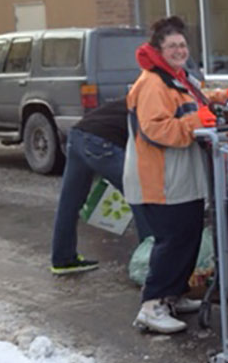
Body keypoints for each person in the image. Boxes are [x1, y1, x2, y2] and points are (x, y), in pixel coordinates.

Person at [124, 16, 228, 334]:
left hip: (182, 177)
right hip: (161, 179)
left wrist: (218, 100)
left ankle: (174, 294)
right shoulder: (152, 83)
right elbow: (156, 129)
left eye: (182, 45)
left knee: (189, 235)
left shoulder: (179, 78)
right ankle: (152, 305)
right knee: (172, 240)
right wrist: (197, 122)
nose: (179, 50)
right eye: (172, 46)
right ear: (158, 50)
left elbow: (195, 107)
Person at [50, 98, 153, 275]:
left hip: (77, 135)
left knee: (69, 202)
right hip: (101, 142)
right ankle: (150, 264)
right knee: (139, 195)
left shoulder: (137, 99)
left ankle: (62, 259)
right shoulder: (156, 105)